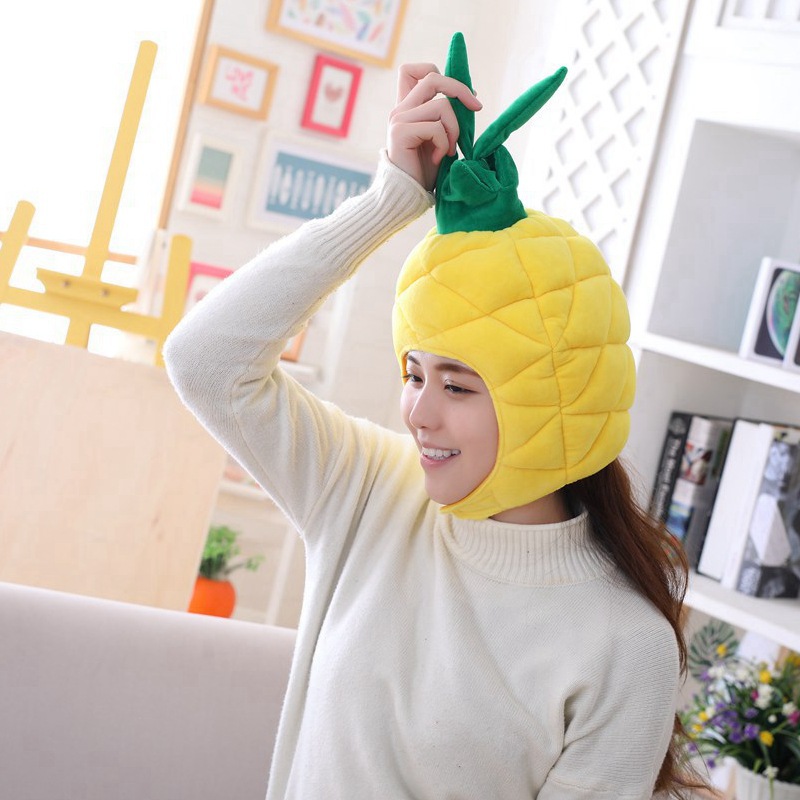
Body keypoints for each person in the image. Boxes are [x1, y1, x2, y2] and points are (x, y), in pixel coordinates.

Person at [165, 33, 703, 800]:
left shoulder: (625, 644)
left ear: (553, 402)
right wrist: (389, 200)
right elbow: (204, 360)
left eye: (458, 386)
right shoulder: (369, 493)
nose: (417, 411)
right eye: (414, 373)